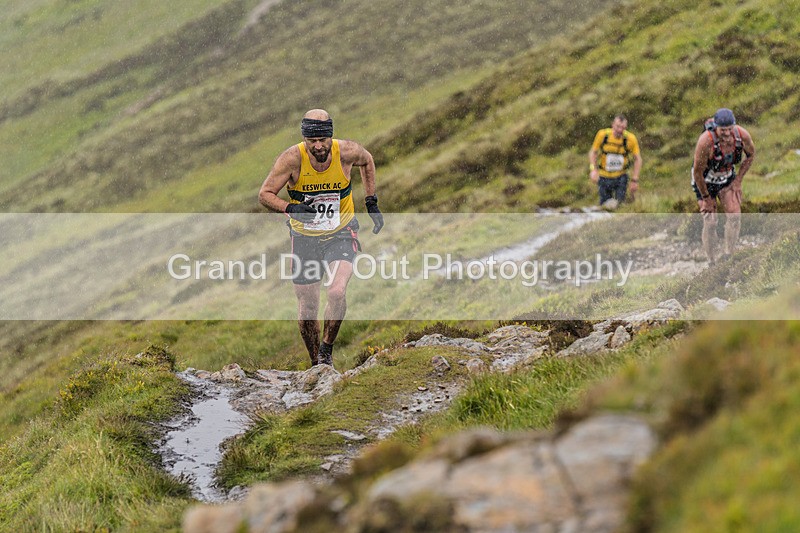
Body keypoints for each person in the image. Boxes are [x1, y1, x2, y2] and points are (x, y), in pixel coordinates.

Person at [258, 109, 384, 368]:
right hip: (304, 238)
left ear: (331, 136)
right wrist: (290, 208)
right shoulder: (291, 159)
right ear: (304, 139)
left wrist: (371, 201)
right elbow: (265, 194)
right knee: (307, 306)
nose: (317, 147)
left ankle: (326, 352)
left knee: (336, 291)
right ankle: (317, 363)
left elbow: (368, 160)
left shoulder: (347, 152)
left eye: (322, 140)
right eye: (311, 141)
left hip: (341, 232)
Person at [691, 108, 755, 263]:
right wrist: (706, 198)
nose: (726, 134)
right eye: (722, 130)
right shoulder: (705, 141)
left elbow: (751, 155)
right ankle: (711, 262)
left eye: (729, 129)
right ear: (716, 127)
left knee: (734, 217)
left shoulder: (742, 135)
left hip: (726, 178)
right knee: (711, 222)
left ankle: (728, 256)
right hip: (705, 181)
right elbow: (697, 173)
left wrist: (738, 181)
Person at [588, 114, 642, 209]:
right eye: (618, 126)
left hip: (621, 177)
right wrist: (593, 169)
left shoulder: (631, 139)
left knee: (620, 205)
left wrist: (635, 179)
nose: (620, 130)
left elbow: (638, 159)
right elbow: (593, 152)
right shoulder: (603, 135)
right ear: (612, 124)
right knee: (604, 206)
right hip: (604, 176)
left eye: (623, 127)